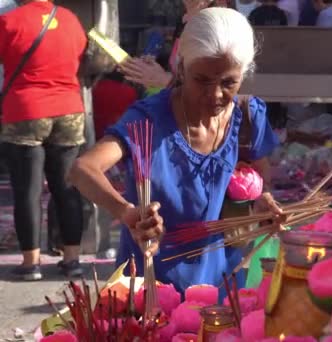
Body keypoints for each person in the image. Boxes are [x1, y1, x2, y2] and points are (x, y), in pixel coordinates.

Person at [69, 7, 282, 295]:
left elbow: (260, 182)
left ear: (244, 74)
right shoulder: (148, 119)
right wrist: (127, 212)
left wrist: (262, 206)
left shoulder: (247, 117)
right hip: (147, 286)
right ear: (181, 68)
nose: (216, 94)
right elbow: (83, 169)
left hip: (219, 287)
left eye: (229, 82)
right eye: (202, 80)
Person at [0, 0, 87, 280]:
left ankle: (31, 263)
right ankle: (72, 259)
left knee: (28, 189)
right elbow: (82, 56)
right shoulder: (71, 20)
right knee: (68, 186)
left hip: (26, 110)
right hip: (69, 109)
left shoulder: (10, 21)